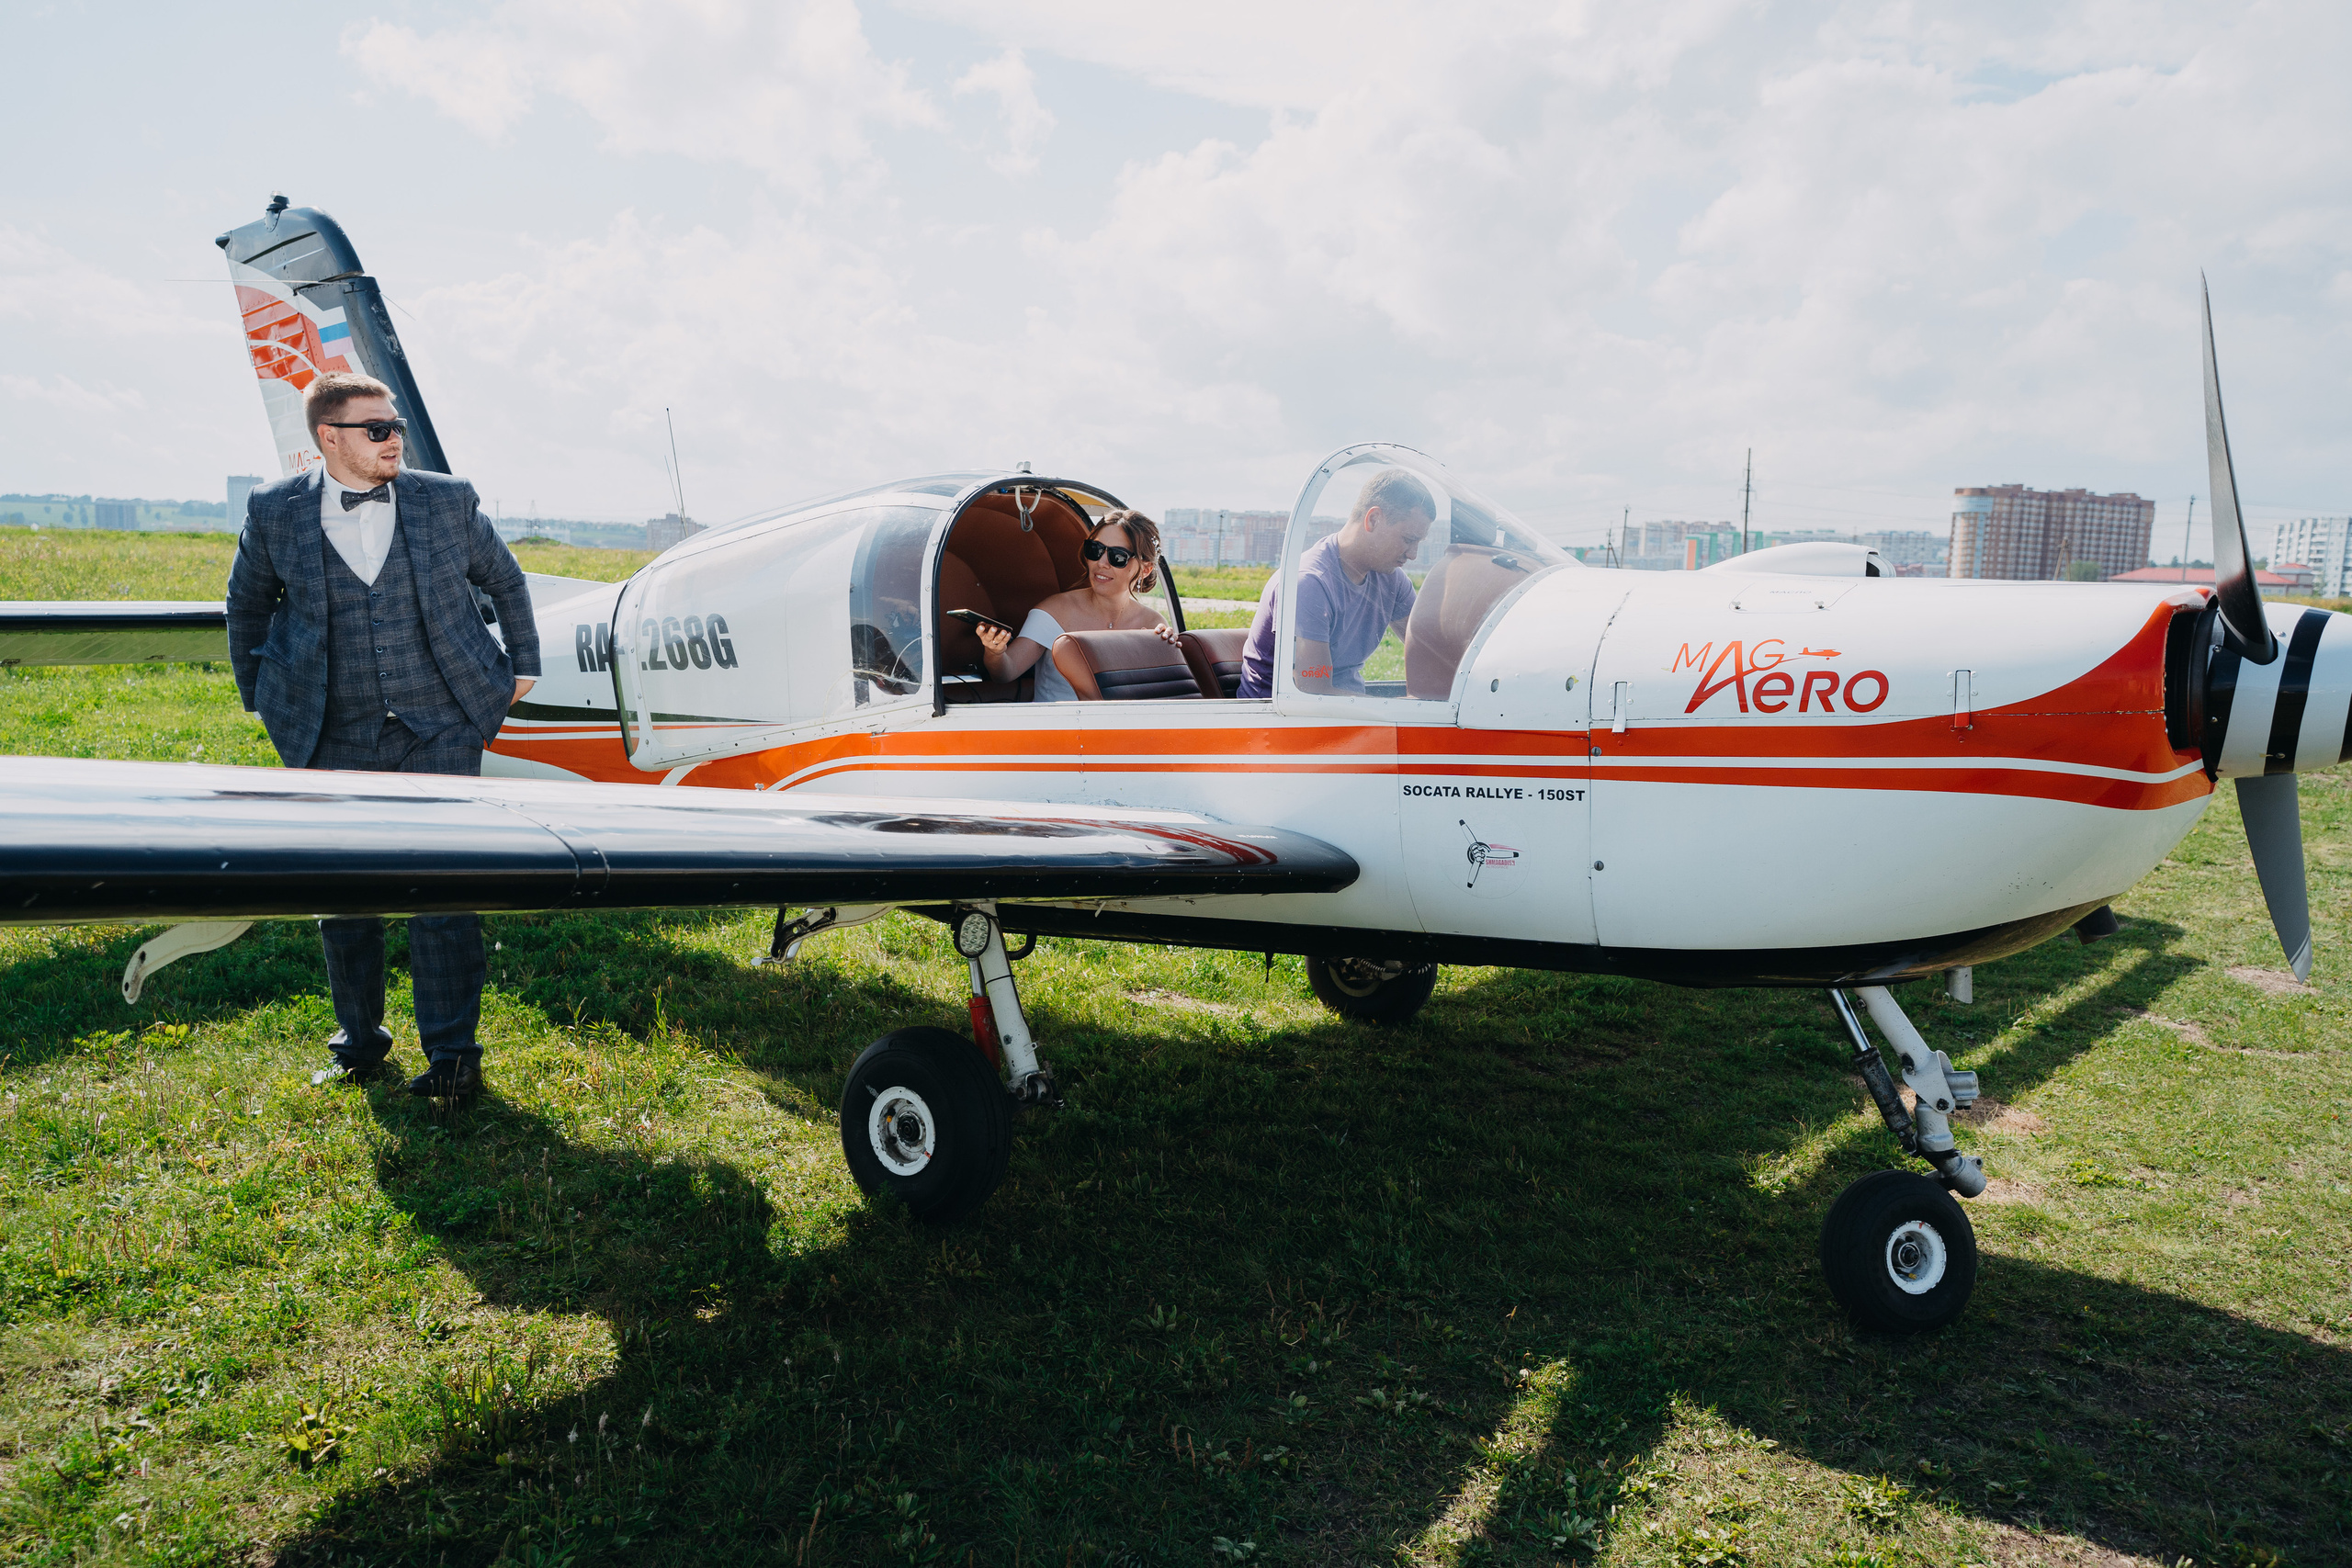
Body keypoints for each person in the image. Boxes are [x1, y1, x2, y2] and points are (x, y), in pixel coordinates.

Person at [224, 371, 540, 1100]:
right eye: (377, 429)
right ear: (329, 438)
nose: (395, 438)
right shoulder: (275, 511)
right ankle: (360, 1044)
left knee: (445, 894)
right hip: (331, 728)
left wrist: (522, 663)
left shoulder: (446, 500)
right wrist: (263, 697)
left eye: (395, 426)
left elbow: (505, 579)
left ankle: (454, 1059)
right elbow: (246, 605)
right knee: (346, 896)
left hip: (441, 722)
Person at [1237, 468, 1434, 698]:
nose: (1413, 554)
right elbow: (1313, 691)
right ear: (1373, 519)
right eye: (1408, 539)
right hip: (1280, 722)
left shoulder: (1392, 580)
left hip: (1343, 717)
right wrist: (1398, 710)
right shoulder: (1309, 583)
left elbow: (1429, 652)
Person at [977, 511, 1177, 700]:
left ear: (1145, 569)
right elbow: (1005, 672)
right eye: (1095, 550)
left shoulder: (1153, 623)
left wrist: (1165, 654)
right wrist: (995, 652)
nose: (1101, 563)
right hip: (1056, 731)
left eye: (1118, 557)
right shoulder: (1053, 611)